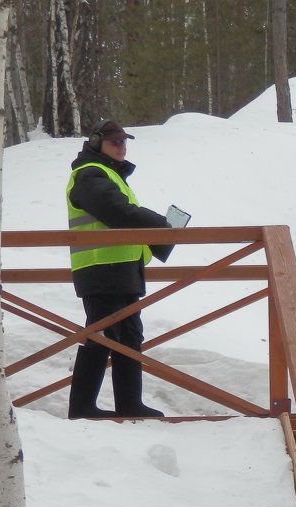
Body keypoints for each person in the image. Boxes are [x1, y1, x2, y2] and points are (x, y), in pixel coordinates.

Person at [65, 119, 172, 419]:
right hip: (102, 268)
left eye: (125, 141)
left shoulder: (109, 174)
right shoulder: (89, 174)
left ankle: (129, 403)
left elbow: (123, 216)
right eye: (116, 142)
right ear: (97, 144)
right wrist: (161, 226)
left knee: (128, 335)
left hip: (121, 269)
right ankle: (82, 407)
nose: (122, 146)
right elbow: (117, 212)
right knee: (101, 335)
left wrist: (160, 235)